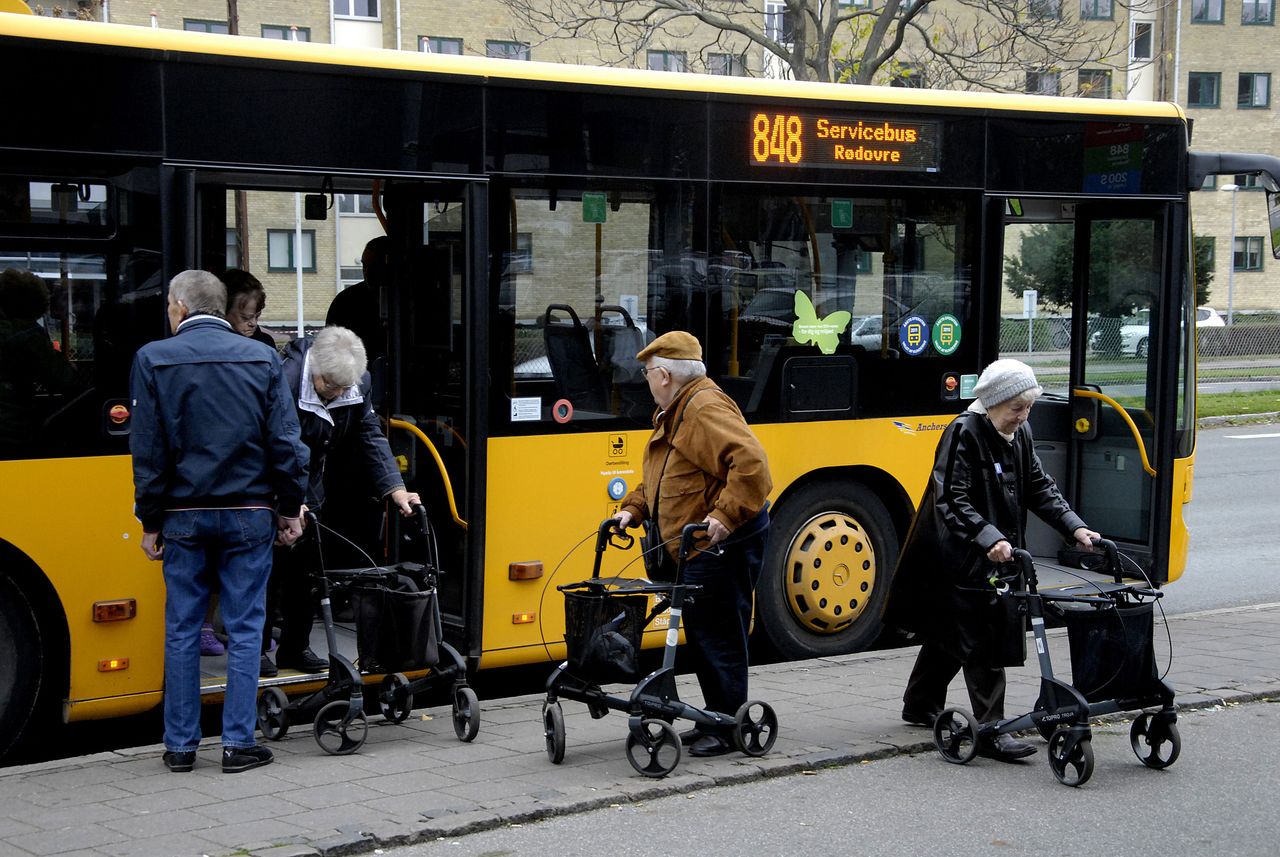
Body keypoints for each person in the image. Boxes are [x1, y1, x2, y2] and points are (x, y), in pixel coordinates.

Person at [130, 270, 308, 774]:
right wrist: (290, 510)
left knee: (183, 628)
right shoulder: (262, 358)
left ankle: (181, 747)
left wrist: (150, 519)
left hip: (183, 516)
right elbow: (287, 446)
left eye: (168, 304)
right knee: (247, 627)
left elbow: (148, 452)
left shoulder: (152, 359)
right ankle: (237, 744)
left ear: (180, 307)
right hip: (250, 514)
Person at [889, 358, 1100, 762]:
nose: (1023, 416)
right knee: (980, 634)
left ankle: (919, 703)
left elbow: (1038, 485)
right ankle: (990, 729)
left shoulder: (1017, 433)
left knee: (952, 632)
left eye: (1028, 408)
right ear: (992, 403)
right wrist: (989, 538)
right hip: (958, 553)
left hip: (994, 550)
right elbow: (951, 498)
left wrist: (1074, 527)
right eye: (1016, 408)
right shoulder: (963, 432)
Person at [613, 330, 772, 758]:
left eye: (647, 373)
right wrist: (633, 509)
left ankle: (726, 727)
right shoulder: (677, 408)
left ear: (664, 374)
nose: (645, 379)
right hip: (696, 544)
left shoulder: (702, 406)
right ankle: (717, 717)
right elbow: (667, 478)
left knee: (717, 634)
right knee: (705, 632)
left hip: (721, 543)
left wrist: (723, 517)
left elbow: (753, 466)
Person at [261, 324, 420, 676]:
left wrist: (394, 487)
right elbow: (266, 445)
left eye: (341, 389)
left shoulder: (355, 382)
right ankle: (257, 651)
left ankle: (294, 648)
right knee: (267, 571)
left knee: (306, 569)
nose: (335, 395)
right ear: (314, 370)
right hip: (269, 485)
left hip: (310, 486)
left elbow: (369, 435)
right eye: (328, 387)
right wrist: (287, 500)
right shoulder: (283, 380)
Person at [326, 236, 389, 364]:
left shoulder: (346, 300)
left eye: (375, 267)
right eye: (365, 266)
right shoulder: (345, 302)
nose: (367, 273)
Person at [220, 268, 277, 350]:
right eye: (245, 318)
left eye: (257, 316)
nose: (254, 323)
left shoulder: (266, 344)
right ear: (224, 311)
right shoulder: (212, 343)